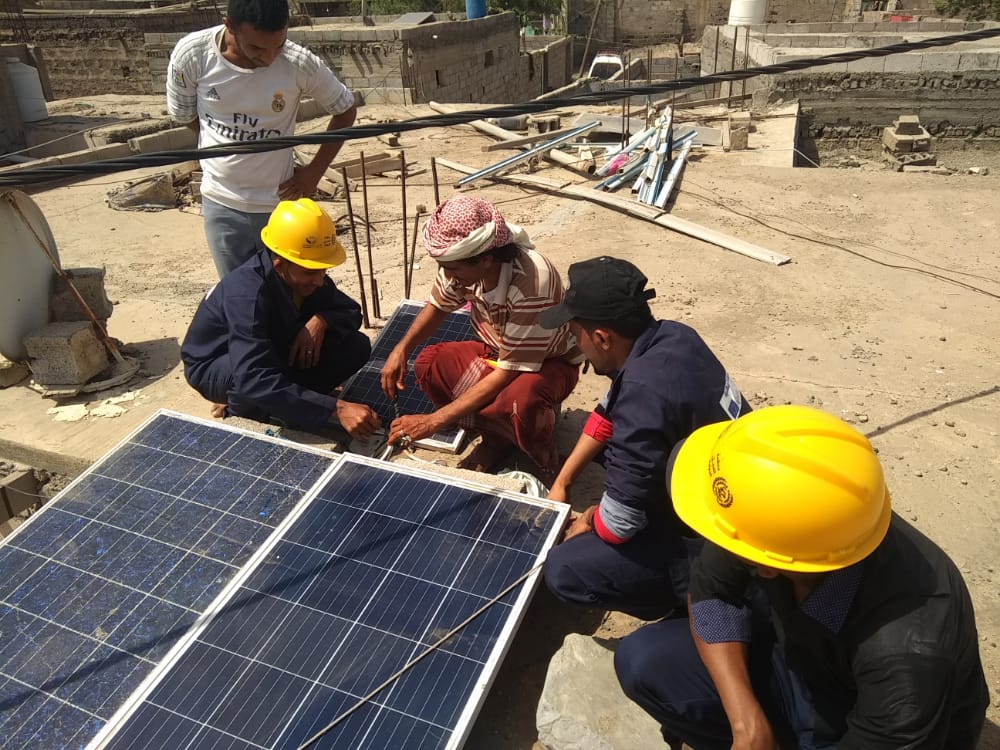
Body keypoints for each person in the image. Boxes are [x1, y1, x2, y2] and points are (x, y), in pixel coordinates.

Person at [615, 405, 990, 750]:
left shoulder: (906, 658)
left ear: (769, 566)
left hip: (866, 722)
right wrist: (747, 720)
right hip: (804, 662)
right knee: (645, 660)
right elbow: (712, 590)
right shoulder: (791, 523)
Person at [539, 256, 750, 620]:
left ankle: (687, 598)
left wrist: (589, 518)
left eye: (576, 335)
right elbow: (607, 414)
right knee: (614, 450)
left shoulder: (644, 392)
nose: (578, 345)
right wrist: (563, 482)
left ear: (602, 337)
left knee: (565, 568)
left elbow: (618, 526)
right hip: (733, 481)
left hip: (720, 539)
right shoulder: (673, 336)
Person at [379, 196, 583, 476]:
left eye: (452, 269)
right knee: (430, 363)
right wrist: (401, 348)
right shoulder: (460, 267)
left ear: (486, 259)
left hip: (551, 362)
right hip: (500, 354)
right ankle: (496, 438)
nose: (447, 277)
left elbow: (510, 372)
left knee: (520, 403)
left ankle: (544, 457)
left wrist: (432, 422)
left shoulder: (532, 284)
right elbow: (439, 306)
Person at [167, 0, 357, 278]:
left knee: (291, 292)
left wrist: (313, 173)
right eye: (257, 48)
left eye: (278, 46)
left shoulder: (297, 62)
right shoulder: (193, 55)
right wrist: (221, 148)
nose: (269, 58)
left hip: (279, 207)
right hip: (221, 203)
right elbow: (184, 114)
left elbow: (345, 110)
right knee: (238, 296)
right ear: (229, 26)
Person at [181, 198, 379, 439]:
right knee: (249, 380)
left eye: (323, 270)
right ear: (280, 264)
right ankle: (245, 417)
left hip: (263, 353)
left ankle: (287, 401)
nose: (320, 280)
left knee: (354, 346)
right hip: (216, 364)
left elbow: (350, 312)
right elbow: (253, 375)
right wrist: (337, 409)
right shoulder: (247, 294)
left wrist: (321, 319)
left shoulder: (305, 275)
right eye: (311, 272)